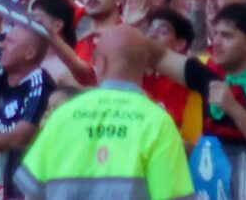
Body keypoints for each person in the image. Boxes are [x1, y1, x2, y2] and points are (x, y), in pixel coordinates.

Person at [13, 27, 193, 200]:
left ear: (101, 63)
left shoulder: (63, 115)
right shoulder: (158, 122)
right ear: (145, 67)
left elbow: (32, 189)